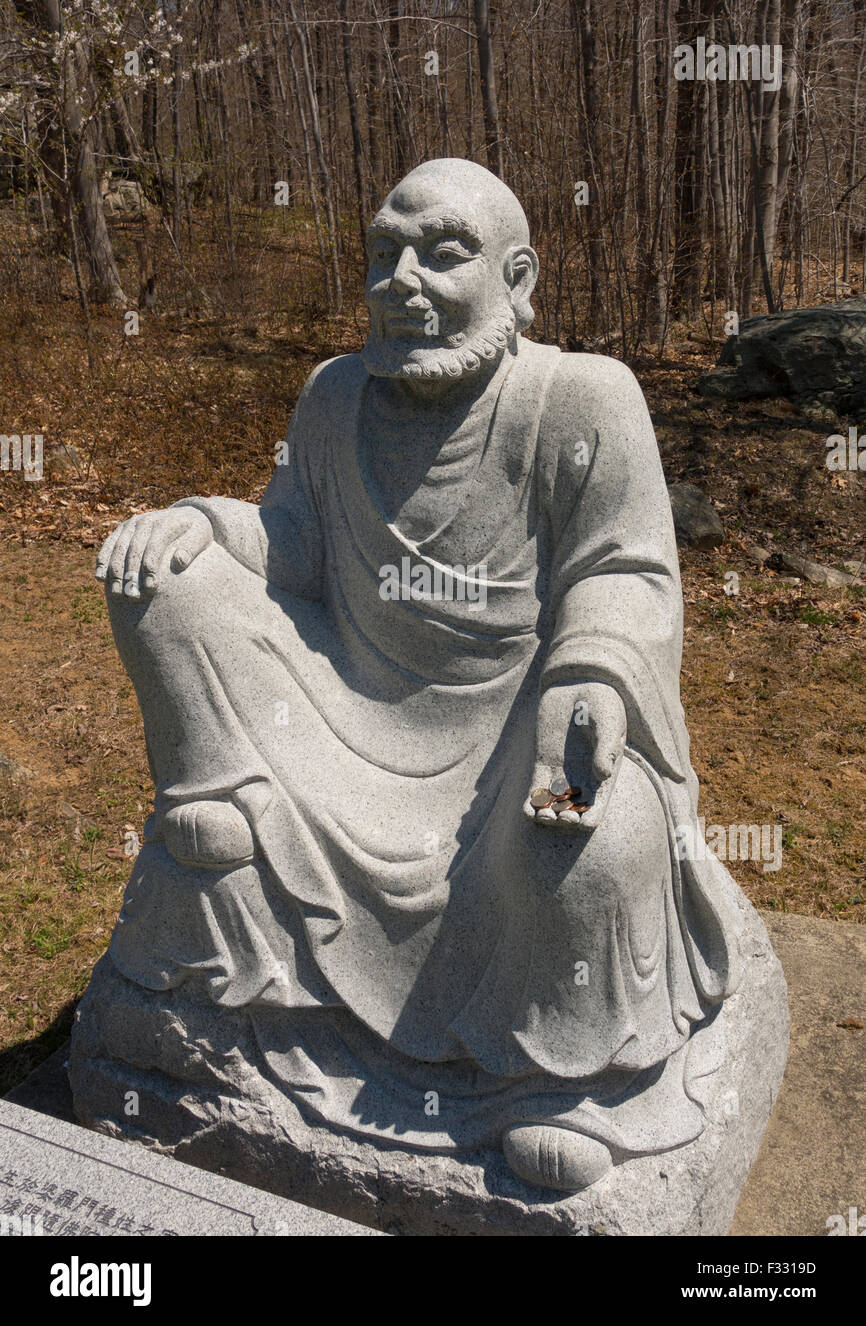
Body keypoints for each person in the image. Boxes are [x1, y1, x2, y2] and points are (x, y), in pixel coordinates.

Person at [93, 159, 740, 1192]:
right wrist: (202, 526)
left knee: (591, 837)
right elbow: (295, 541)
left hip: (517, 726)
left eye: (442, 254)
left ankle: (554, 1083)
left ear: (517, 280)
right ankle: (223, 837)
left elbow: (623, 571)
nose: (403, 280)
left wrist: (594, 677)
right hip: (346, 710)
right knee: (167, 585)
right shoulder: (334, 394)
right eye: (383, 255)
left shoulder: (581, 401)